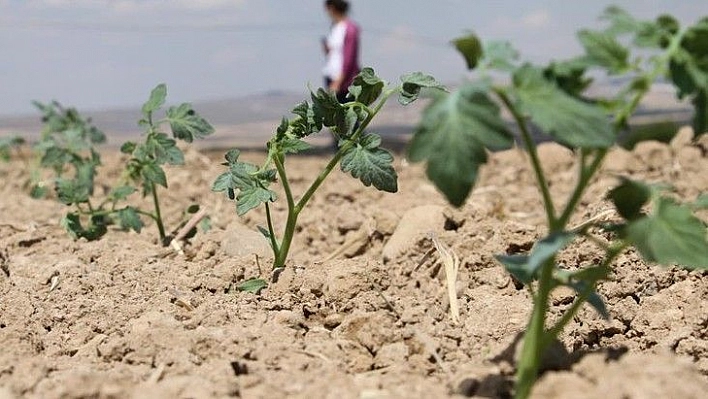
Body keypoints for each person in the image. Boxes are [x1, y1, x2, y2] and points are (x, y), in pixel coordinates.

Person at [322, 0, 360, 103]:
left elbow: (349, 58)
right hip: (331, 77)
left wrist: (338, 82)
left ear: (333, 8)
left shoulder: (349, 28)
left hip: (344, 82)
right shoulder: (334, 27)